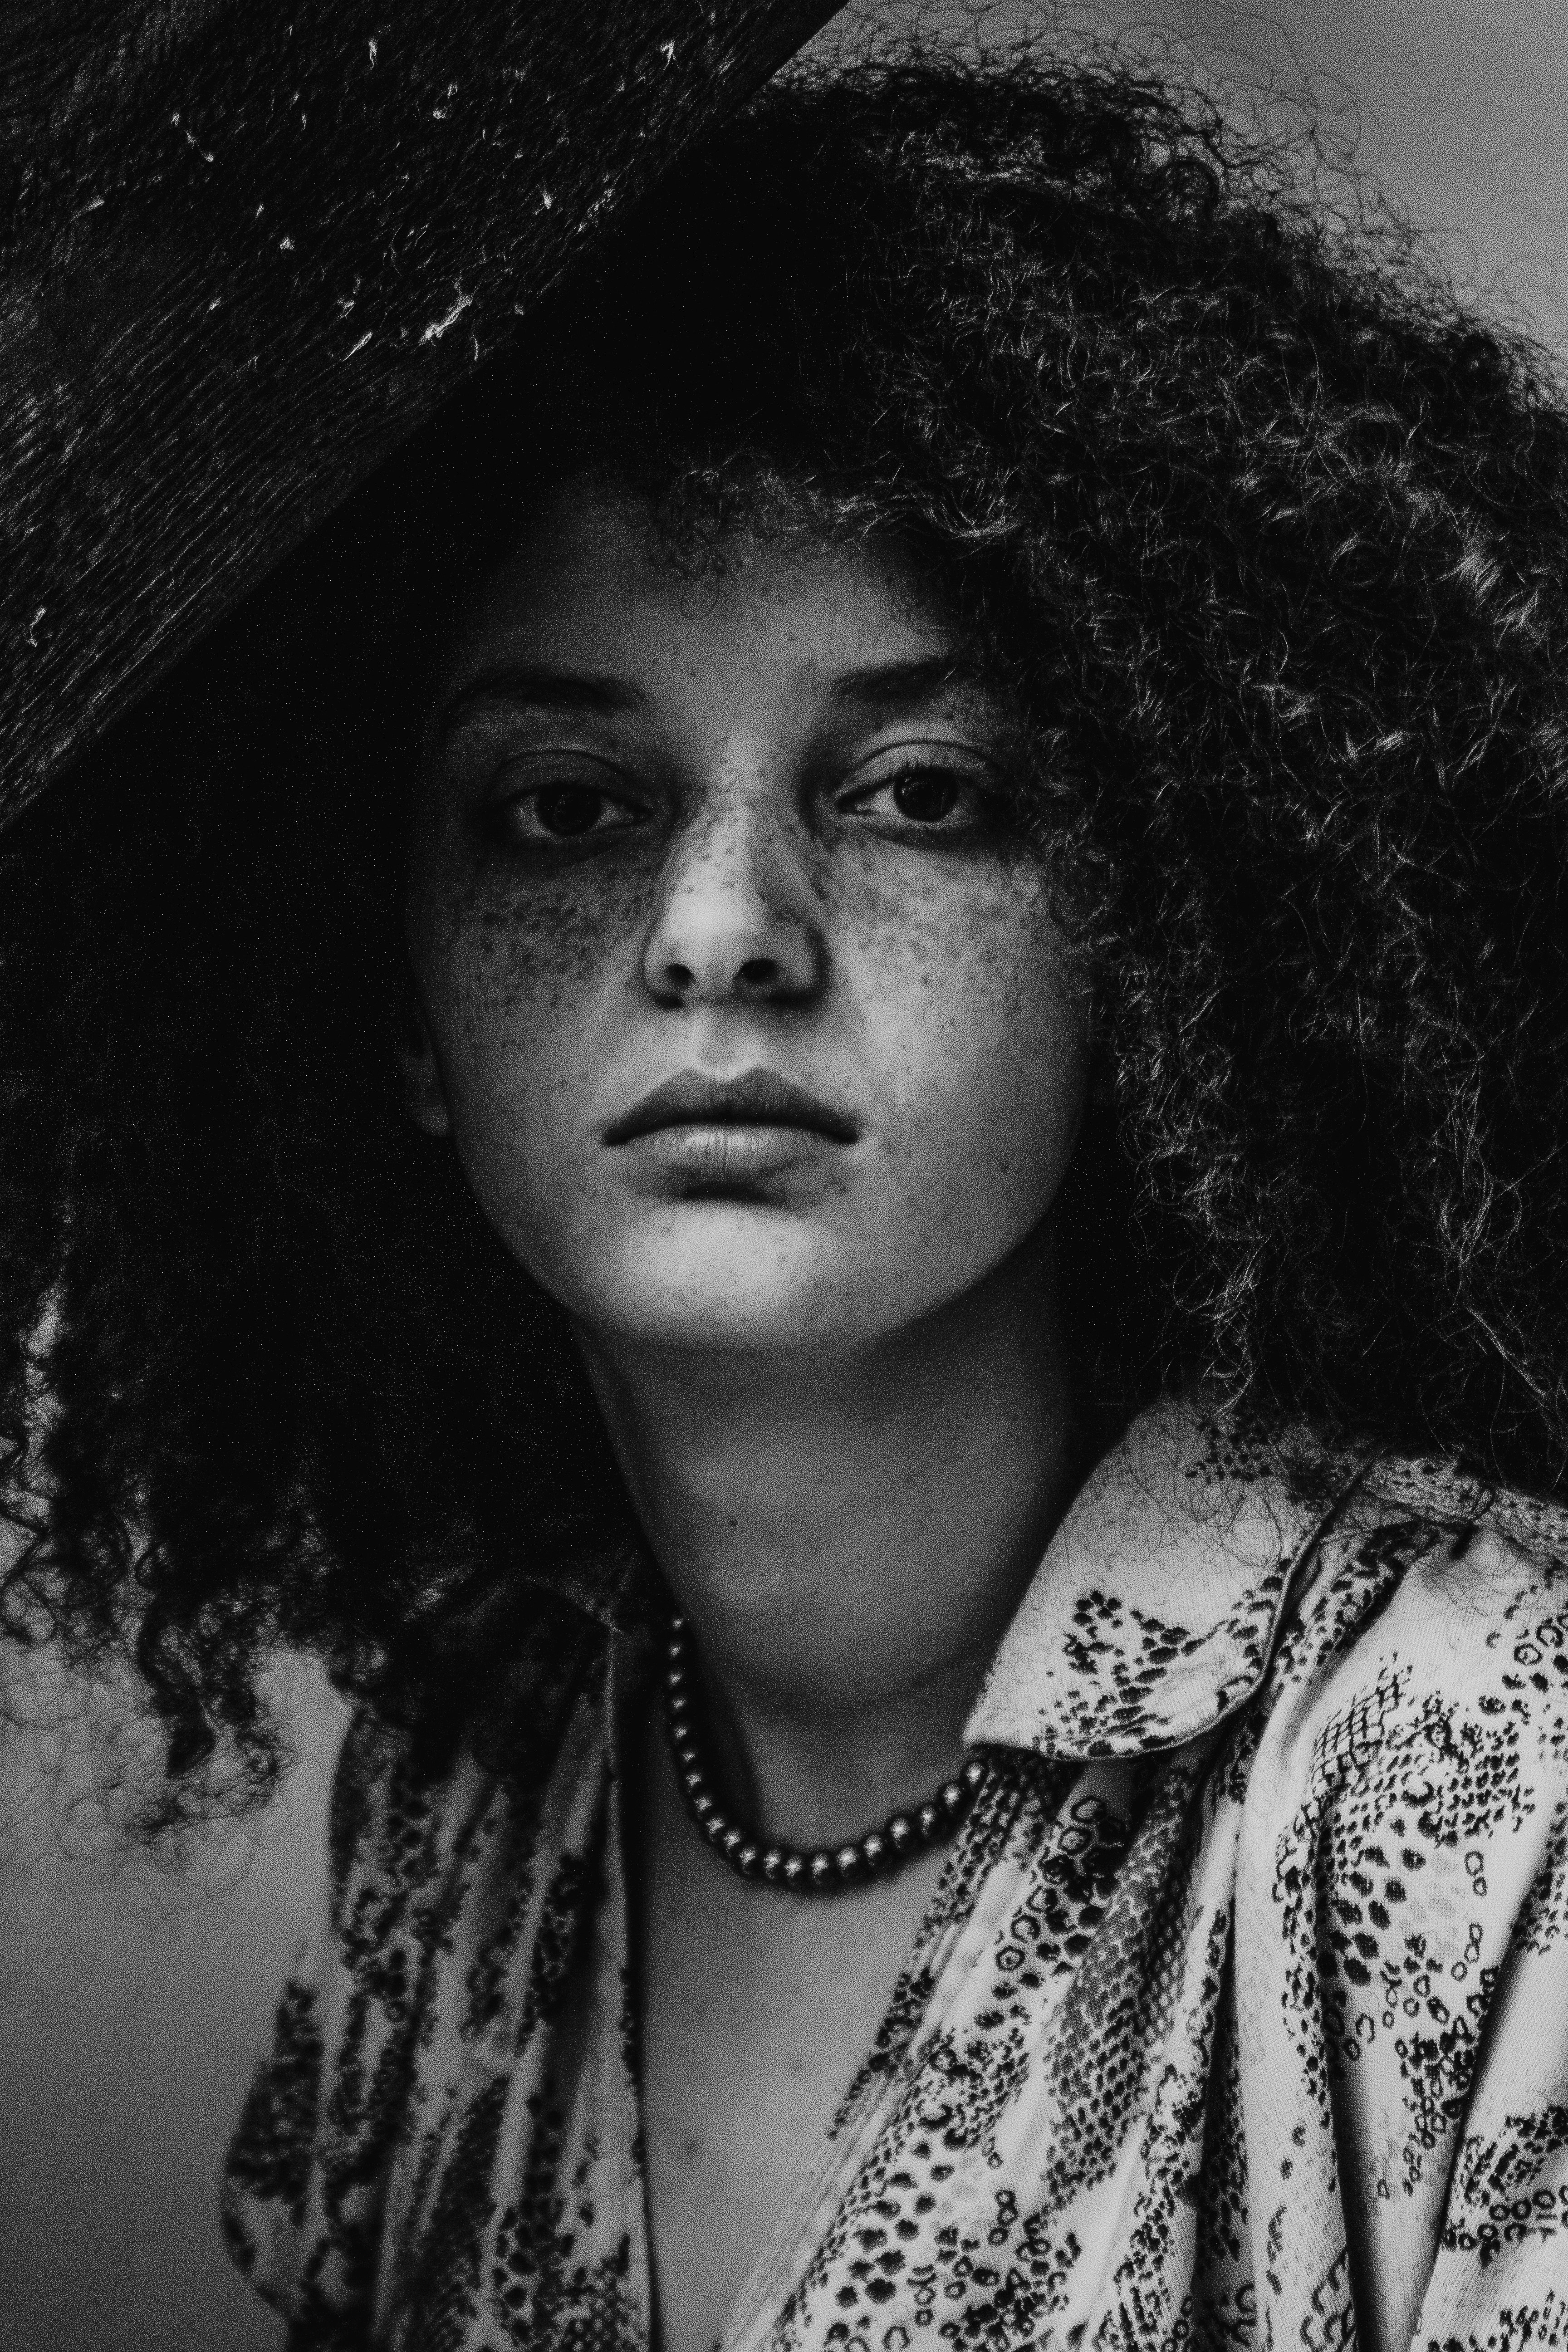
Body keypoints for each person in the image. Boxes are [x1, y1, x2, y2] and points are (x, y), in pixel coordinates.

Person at [3, 38, 1568, 2352]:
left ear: (1145, 946)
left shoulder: (1491, 1775)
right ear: (401, 1008)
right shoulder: (468, 1805)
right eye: (564, 806)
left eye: (921, 793)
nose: (724, 929)